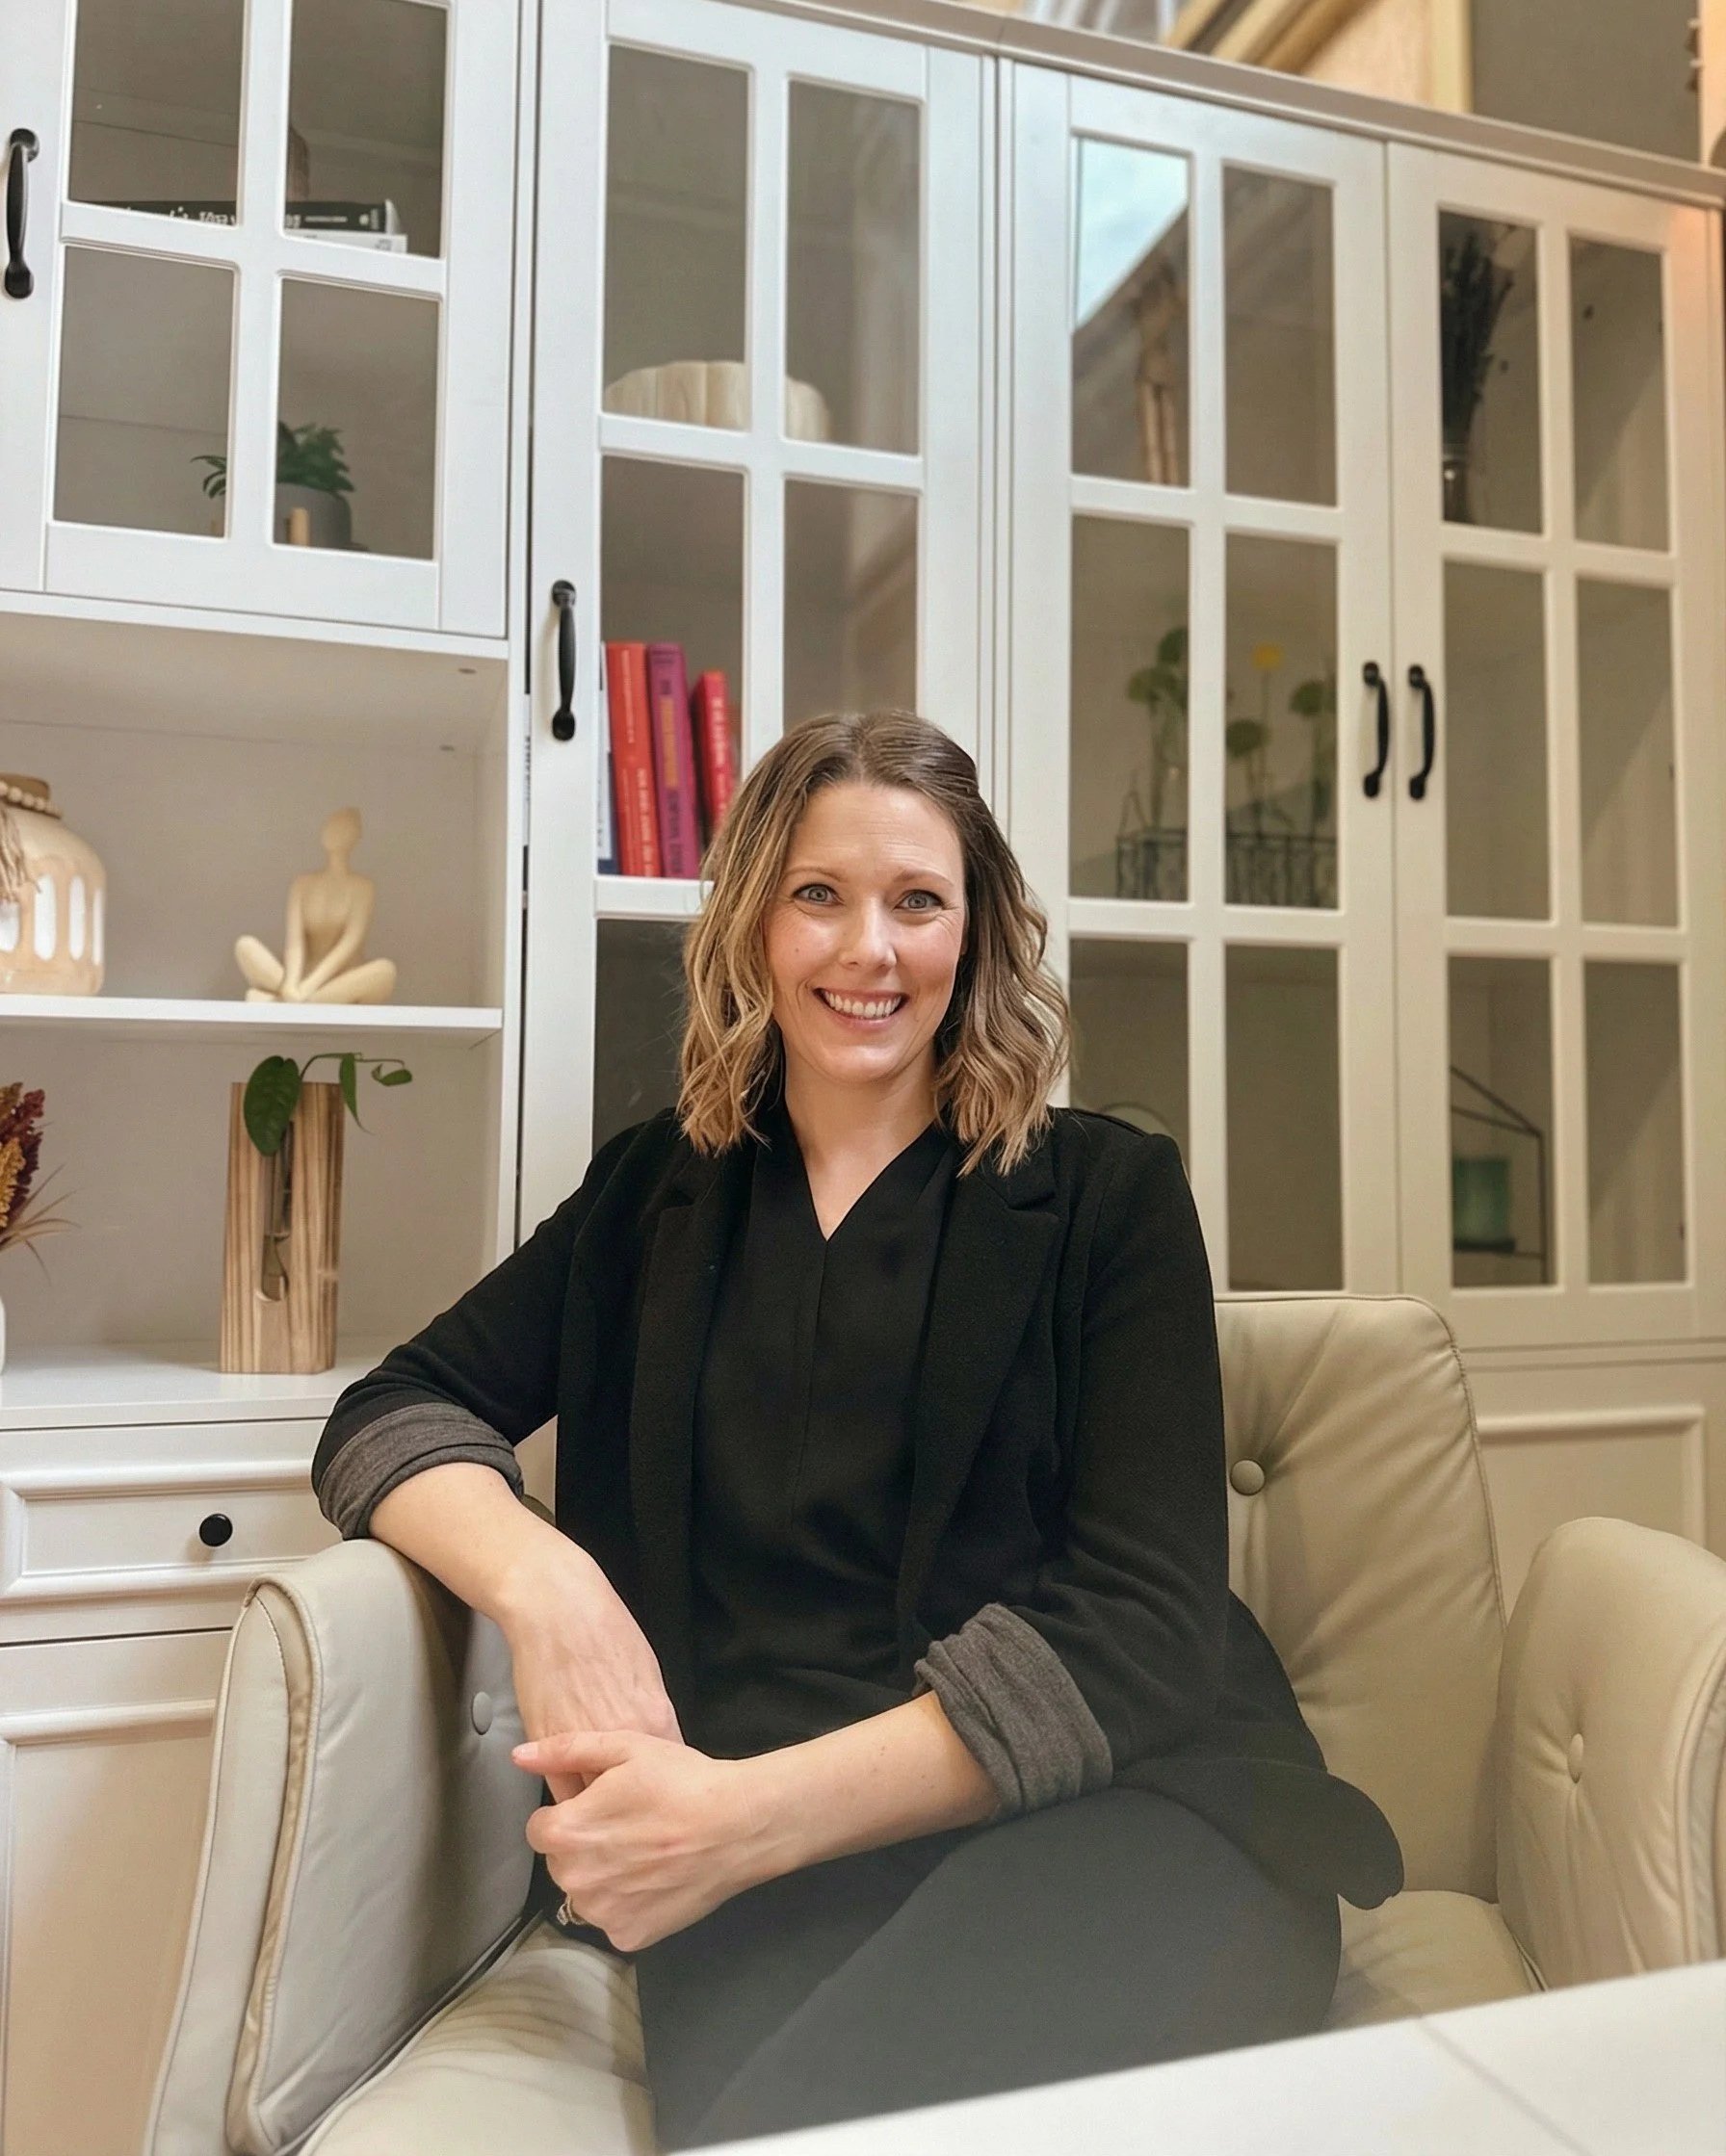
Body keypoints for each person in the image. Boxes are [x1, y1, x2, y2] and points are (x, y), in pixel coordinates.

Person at [310, 709, 1403, 2150]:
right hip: (749, 1862)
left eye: (918, 902)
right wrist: (549, 1590)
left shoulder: (1108, 1197)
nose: (867, 952)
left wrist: (738, 1821)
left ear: (979, 934)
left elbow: (1142, 1623)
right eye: (820, 896)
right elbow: (388, 1413)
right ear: (757, 921)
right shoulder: (653, 1195)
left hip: (1127, 1813)